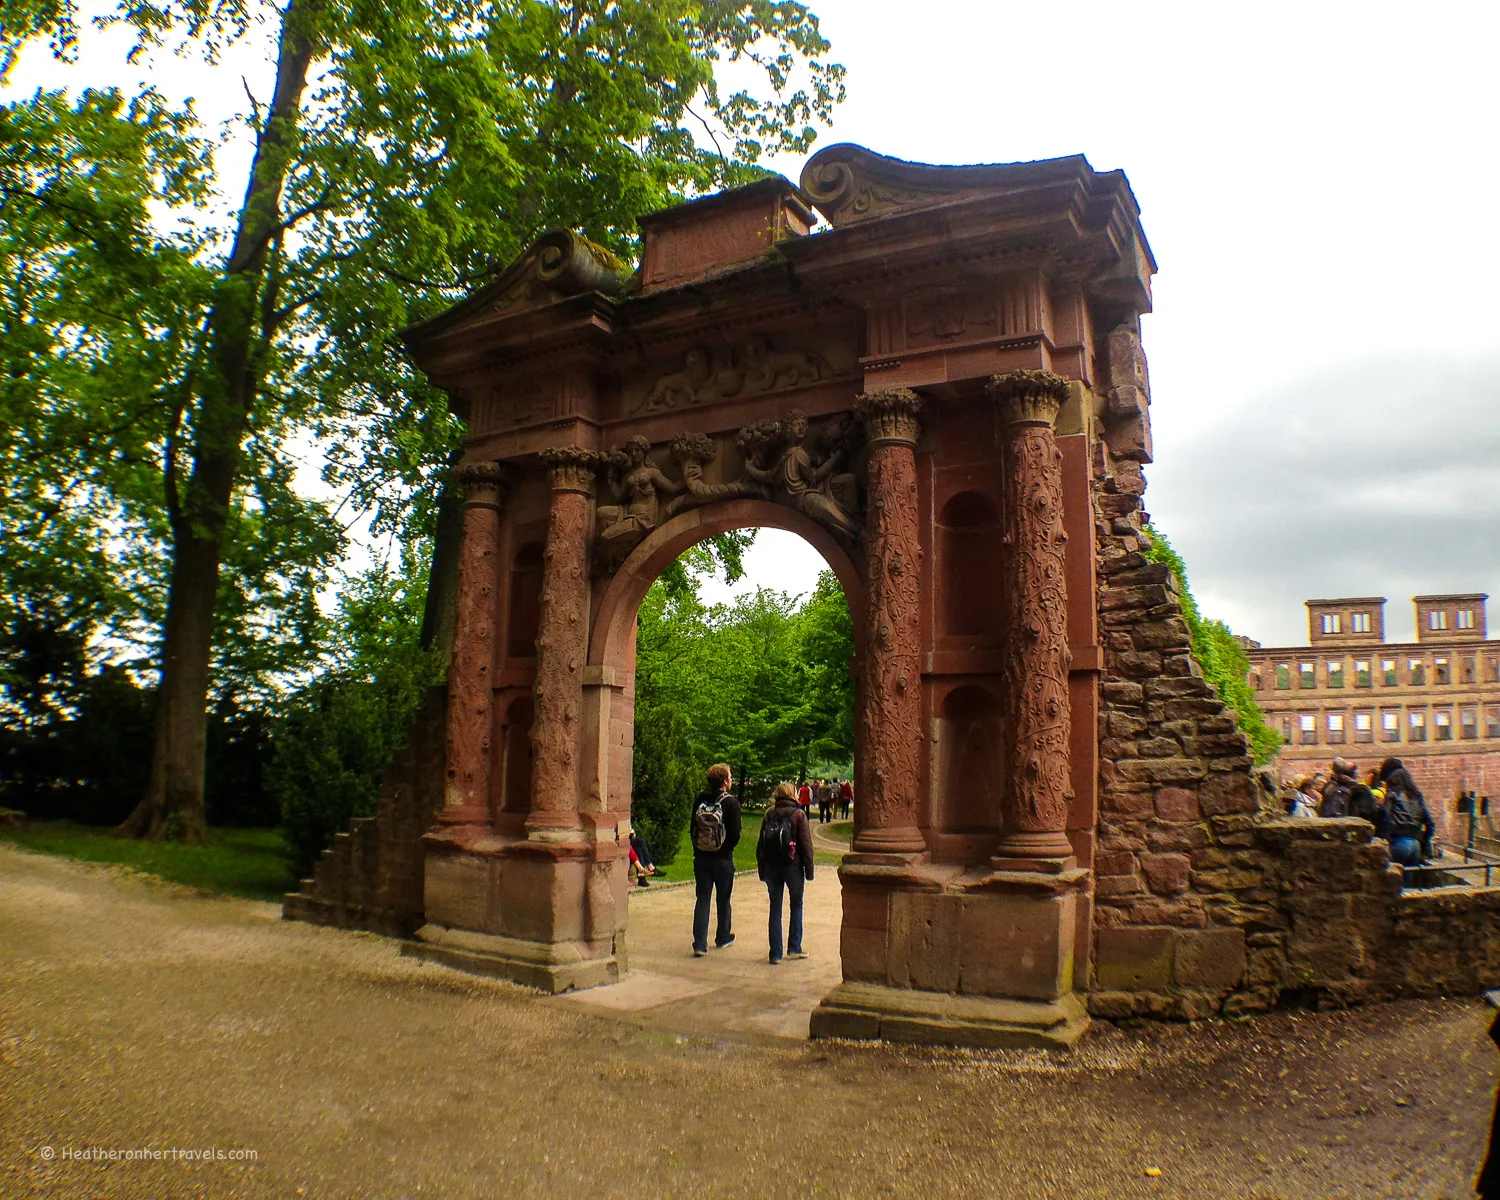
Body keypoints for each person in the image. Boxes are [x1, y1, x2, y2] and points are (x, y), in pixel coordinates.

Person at [756, 781, 815, 964]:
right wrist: (809, 870)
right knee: (796, 905)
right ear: (792, 794)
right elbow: (806, 846)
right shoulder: (798, 814)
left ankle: (775, 952)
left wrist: (762, 869)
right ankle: (794, 947)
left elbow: (761, 845)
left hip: (773, 866)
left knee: (775, 908)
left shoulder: (769, 814)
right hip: (793, 866)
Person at [690, 763, 741, 957]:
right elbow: (735, 834)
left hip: (701, 857)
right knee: (723, 898)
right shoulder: (731, 803)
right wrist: (725, 848)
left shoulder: (700, 800)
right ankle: (722, 935)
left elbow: (692, 828)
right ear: (725, 781)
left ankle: (700, 943)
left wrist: (699, 847)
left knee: (702, 898)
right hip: (723, 858)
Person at [1378, 757, 1435, 877]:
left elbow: (1385, 817)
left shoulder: (1393, 794)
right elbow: (1430, 824)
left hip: (1398, 842)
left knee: (1390, 881)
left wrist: (1383, 838)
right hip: (1415, 845)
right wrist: (1424, 841)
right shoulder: (1416, 797)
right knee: (1407, 888)